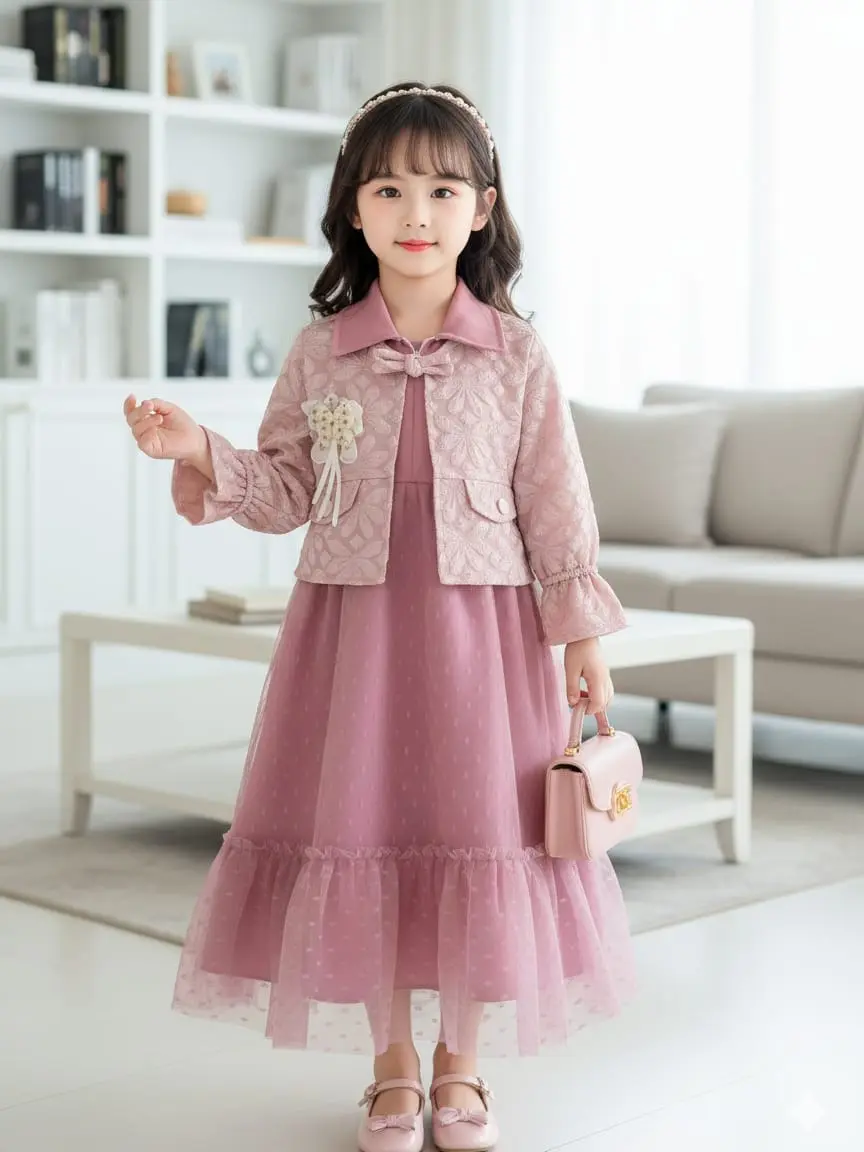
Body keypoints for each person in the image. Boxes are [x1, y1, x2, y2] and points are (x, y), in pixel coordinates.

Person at [123, 82, 636, 1152]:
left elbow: (557, 503)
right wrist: (200, 449)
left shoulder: (518, 355)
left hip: (484, 645)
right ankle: (392, 1065)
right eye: (390, 188)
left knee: (477, 828)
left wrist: (581, 636)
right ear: (353, 207)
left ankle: (463, 1065)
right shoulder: (323, 352)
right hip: (354, 642)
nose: (416, 211)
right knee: (364, 826)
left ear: (481, 210)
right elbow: (284, 489)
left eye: (443, 191)